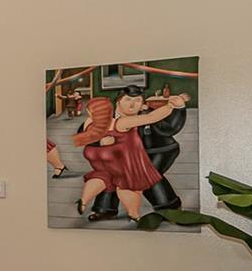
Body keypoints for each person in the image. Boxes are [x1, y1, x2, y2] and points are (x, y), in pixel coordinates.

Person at [73, 87, 188, 222]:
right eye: (128, 100)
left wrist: (178, 108)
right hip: (120, 156)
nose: (132, 105)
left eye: (138, 101)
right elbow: (84, 135)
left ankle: (169, 209)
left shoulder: (145, 115)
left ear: (143, 104)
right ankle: (106, 210)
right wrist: (100, 142)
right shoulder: (103, 116)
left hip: (156, 151)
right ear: (118, 102)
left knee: (147, 177)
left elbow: (169, 128)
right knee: (109, 175)